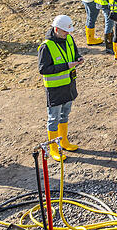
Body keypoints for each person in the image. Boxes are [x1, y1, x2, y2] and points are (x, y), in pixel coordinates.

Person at [38, 15, 84, 162]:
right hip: (55, 90)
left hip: (69, 85)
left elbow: (74, 52)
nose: (68, 34)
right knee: (54, 119)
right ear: (56, 29)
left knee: (65, 115)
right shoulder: (46, 46)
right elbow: (43, 69)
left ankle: (63, 142)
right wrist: (66, 66)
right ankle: (53, 149)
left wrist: (78, 58)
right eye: (65, 31)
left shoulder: (69, 39)